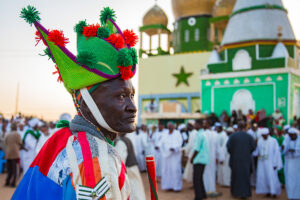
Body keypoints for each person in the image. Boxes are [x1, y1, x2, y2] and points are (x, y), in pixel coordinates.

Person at [14, 5, 139, 199]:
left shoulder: (62, 138)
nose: (133, 107)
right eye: (121, 96)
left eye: (131, 95)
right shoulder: (95, 158)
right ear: (88, 105)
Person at [227, 121, 255, 199]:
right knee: (246, 176)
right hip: (246, 160)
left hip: (235, 159)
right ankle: (245, 193)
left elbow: (228, 148)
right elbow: (253, 147)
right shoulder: (249, 136)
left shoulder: (233, 136)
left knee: (235, 176)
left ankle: (235, 192)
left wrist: (234, 154)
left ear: (238, 127)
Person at [115, 133, 146, 200]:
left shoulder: (121, 142)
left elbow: (120, 161)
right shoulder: (127, 139)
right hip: (133, 168)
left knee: (133, 191)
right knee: (137, 190)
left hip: (129, 170)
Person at [254, 128, 282, 197]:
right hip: (262, 162)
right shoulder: (260, 140)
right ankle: (267, 192)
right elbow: (257, 151)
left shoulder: (273, 141)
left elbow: (277, 153)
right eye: (262, 135)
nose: (263, 136)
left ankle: (274, 192)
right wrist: (255, 154)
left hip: (271, 163)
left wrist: (275, 163)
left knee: (272, 177)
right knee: (264, 177)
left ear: (268, 134)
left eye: (265, 135)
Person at [161, 122, 183, 191]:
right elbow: (162, 143)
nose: (170, 127)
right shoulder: (165, 134)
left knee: (175, 170)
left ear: (174, 126)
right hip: (166, 156)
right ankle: (167, 186)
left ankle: (177, 187)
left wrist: (174, 148)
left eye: (171, 126)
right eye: (169, 126)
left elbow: (180, 143)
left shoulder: (177, 133)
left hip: (175, 156)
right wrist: (167, 149)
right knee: (167, 171)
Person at [191, 119, 209, 200]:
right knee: (200, 178)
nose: (194, 126)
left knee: (196, 179)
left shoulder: (199, 135)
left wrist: (192, 158)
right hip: (204, 159)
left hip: (199, 159)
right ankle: (203, 194)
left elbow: (197, 149)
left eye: (195, 124)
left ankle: (198, 196)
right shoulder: (204, 133)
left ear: (199, 125)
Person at [203, 120, 220, 197]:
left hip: (210, 157)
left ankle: (210, 189)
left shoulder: (213, 134)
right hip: (205, 157)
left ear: (208, 124)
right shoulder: (205, 133)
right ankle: (207, 189)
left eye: (204, 123)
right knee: (206, 173)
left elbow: (217, 147)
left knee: (210, 173)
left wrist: (218, 157)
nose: (203, 124)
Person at [282, 128, 300, 199]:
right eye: (290, 135)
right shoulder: (286, 139)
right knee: (289, 180)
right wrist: (284, 148)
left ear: (295, 134)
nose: (291, 137)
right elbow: (283, 149)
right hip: (289, 163)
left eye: (292, 135)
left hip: (298, 163)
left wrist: (295, 150)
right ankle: (291, 196)